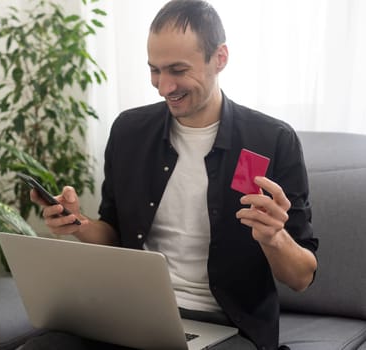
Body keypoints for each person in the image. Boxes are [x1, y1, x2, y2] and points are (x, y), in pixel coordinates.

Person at [22, 0, 319, 349]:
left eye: (178, 70)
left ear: (219, 58)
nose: (163, 87)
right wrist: (78, 223)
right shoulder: (129, 131)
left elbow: (301, 277)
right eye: (154, 70)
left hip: (226, 324)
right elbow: (115, 234)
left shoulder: (270, 141)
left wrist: (274, 238)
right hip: (132, 311)